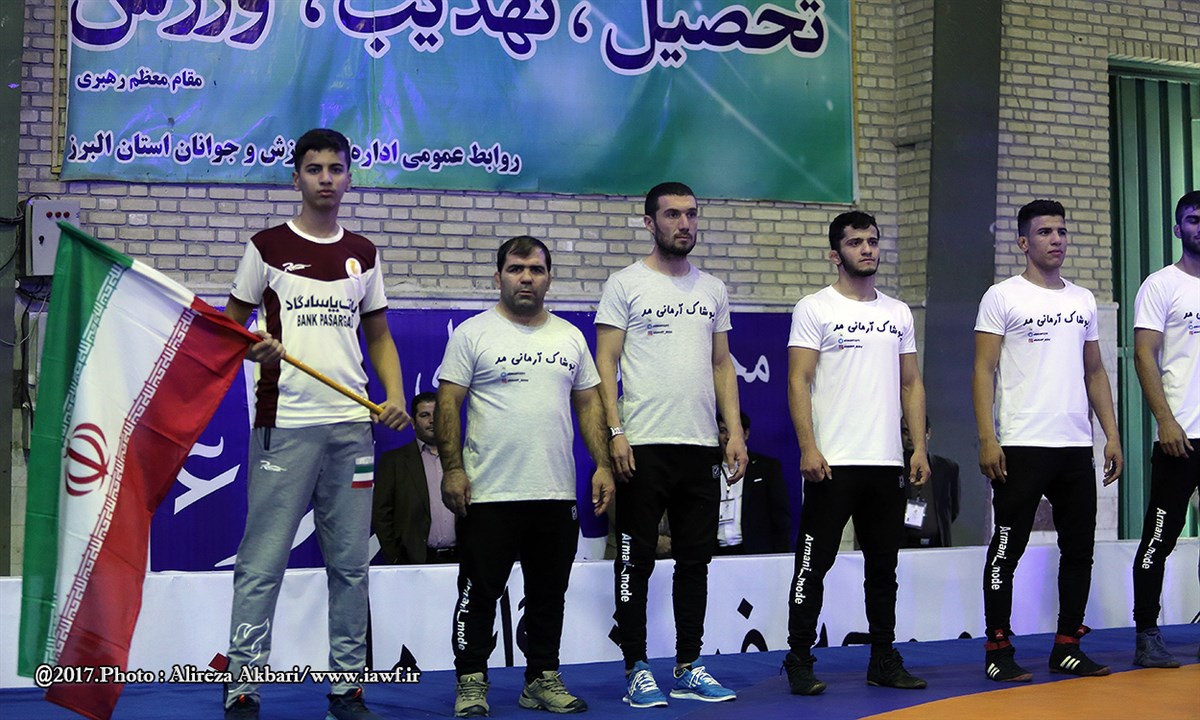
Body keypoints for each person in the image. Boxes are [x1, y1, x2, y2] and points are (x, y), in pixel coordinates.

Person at [221, 128, 410, 720]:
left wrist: (395, 395)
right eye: (314, 168)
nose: (326, 178)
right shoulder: (266, 247)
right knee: (262, 564)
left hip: (352, 429)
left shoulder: (364, 253)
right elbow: (230, 329)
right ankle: (243, 685)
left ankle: (347, 687)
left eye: (336, 168)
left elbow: (379, 336)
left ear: (349, 176)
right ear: (296, 177)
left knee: (350, 566)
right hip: (284, 426)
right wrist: (253, 347)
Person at [436, 236, 615, 718]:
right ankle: (471, 681)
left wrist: (602, 464)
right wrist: (452, 469)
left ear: (549, 278)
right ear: (498, 277)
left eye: (536, 269)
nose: (526, 278)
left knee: (548, 597)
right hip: (489, 493)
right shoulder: (472, 334)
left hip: (554, 493)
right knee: (477, 595)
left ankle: (541, 679)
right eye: (516, 269)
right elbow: (448, 403)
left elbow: (589, 404)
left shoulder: (570, 337)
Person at [596, 182, 748, 708]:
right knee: (634, 561)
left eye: (691, 214)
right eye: (672, 215)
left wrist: (734, 432)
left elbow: (722, 364)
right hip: (642, 445)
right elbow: (605, 363)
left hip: (700, 446)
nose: (684, 224)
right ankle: (636, 667)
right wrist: (615, 431)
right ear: (650, 222)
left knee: (694, 561)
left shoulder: (713, 288)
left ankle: (688, 665)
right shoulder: (625, 284)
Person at [973, 199, 1122, 683]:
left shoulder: (1082, 300)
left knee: (1079, 550)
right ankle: (998, 648)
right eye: (1044, 232)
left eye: (1061, 231)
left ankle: (1068, 647)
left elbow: (1095, 371)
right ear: (1023, 242)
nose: (1056, 239)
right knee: (1007, 549)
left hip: (1074, 445)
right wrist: (987, 437)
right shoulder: (1002, 296)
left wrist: (1112, 436)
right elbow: (983, 370)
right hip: (1020, 444)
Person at [782, 210, 931, 696]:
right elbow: (799, 380)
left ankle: (883, 658)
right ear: (835, 254)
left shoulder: (898, 313)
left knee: (883, 570)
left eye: (872, 241)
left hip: (885, 464)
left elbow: (911, 384)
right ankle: (799, 659)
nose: (867, 249)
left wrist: (918, 447)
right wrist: (808, 447)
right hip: (831, 465)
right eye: (855, 242)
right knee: (812, 566)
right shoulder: (815, 308)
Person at [1130, 190, 1200, 668]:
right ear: (1178, 229)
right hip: (1182, 437)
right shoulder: (1161, 285)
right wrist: (1166, 420)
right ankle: (1147, 635)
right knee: (1160, 537)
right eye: (1193, 219)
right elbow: (1144, 355)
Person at [372, 391, 458, 563]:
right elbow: (381, 514)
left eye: (437, 414)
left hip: (461, 560)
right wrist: (396, 557)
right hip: (414, 562)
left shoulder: (463, 458)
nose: (432, 420)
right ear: (413, 423)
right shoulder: (394, 461)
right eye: (425, 415)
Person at [713, 411, 792, 555]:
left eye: (734, 431)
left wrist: (781, 556)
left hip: (755, 552)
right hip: (715, 553)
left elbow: (781, 517)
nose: (728, 437)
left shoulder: (766, 468)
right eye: (723, 431)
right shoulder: (709, 470)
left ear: (746, 434)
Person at [901, 418, 961, 548]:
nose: (910, 437)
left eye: (915, 431)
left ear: (928, 433)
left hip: (938, 545)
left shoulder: (947, 467)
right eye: (905, 432)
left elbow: (952, 510)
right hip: (903, 546)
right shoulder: (895, 470)